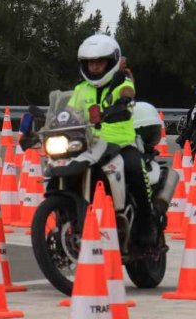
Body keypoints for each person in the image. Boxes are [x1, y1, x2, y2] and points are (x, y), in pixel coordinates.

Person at [67, 34, 157, 246]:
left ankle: (147, 223)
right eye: (91, 63)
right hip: (89, 146)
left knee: (135, 169)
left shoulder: (120, 82)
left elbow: (128, 90)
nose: (95, 67)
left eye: (100, 62)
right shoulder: (81, 89)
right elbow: (69, 111)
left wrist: (123, 101)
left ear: (111, 62)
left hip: (122, 145)